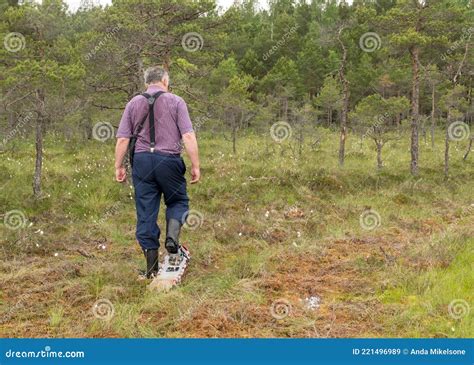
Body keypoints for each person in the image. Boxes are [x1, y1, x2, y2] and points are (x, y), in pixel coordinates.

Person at [114, 66, 200, 279]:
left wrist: (119, 166)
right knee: (178, 200)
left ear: (146, 82)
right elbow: (188, 136)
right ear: (164, 80)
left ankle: (151, 269)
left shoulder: (133, 103)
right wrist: (195, 165)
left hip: (142, 162)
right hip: (168, 160)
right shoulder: (177, 101)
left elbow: (123, 139)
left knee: (146, 211)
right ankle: (172, 238)